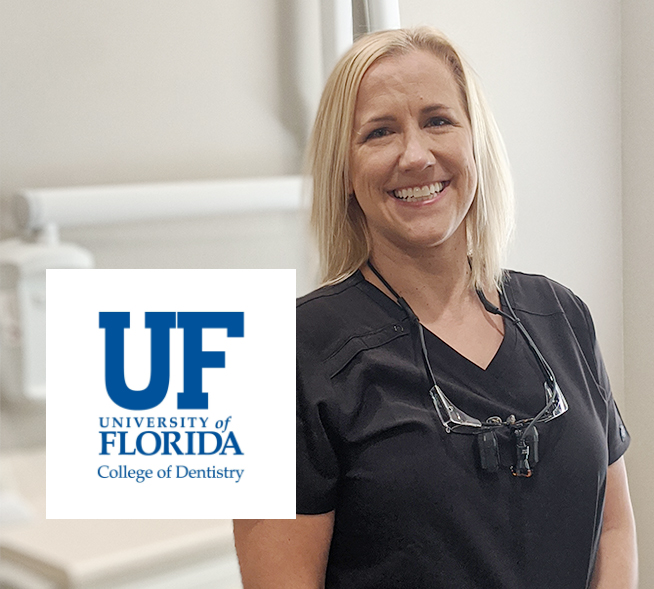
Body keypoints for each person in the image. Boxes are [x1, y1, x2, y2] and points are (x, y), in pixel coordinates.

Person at [234, 27, 637, 588]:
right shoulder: (290, 351)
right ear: (346, 173)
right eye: (379, 132)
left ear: (476, 142)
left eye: (438, 121)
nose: (416, 155)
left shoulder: (560, 315)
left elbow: (613, 529)